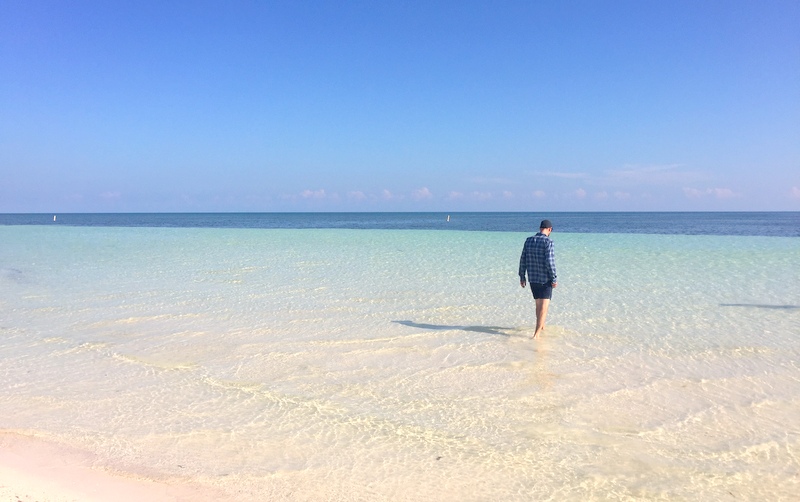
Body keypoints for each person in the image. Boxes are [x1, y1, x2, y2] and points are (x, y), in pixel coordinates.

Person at [519, 219, 558, 339]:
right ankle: (536, 334)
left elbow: (523, 259)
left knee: (538, 305)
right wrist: (554, 278)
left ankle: (542, 327)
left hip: (532, 278)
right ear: (549, 229)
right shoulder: (548, 242)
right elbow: (550, 262)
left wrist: (522, 276)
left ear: (540, 228)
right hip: (545, 279)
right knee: (544, 307)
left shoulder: (529, 240)